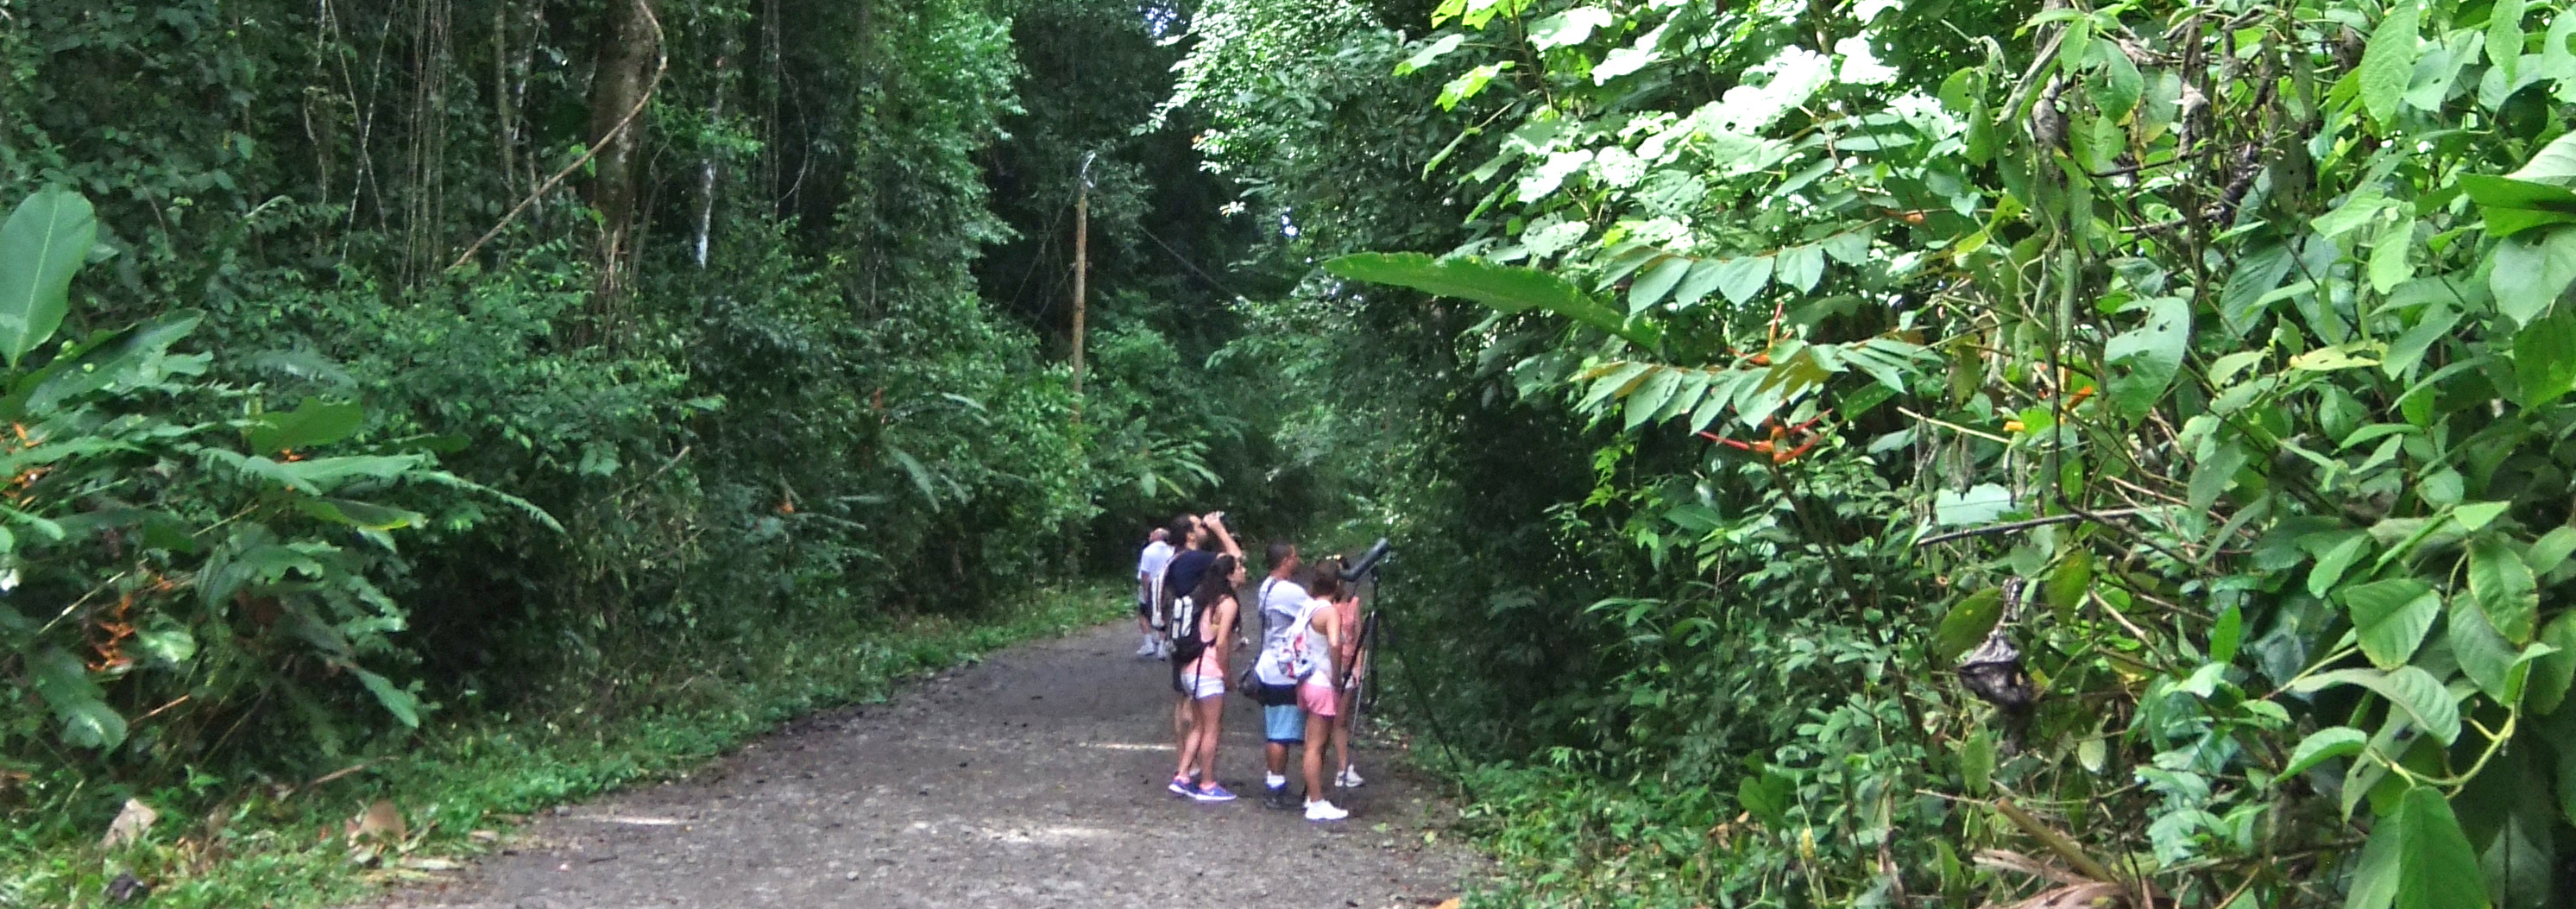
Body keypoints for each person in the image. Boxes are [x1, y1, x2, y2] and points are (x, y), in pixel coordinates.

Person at [1166, 554, 1243, 802]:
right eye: (1239, 568)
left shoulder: (1207, 600)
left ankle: (1183, 775)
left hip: (1190, 670)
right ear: (1229, 575)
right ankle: (1208, 784)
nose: (1243, 571)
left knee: (1199, 726)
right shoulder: (1228, 604)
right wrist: (1227, 676)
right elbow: (1220, 644)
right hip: (1208, 673)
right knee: (1212, 728)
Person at [1250, 541, 1308, 809]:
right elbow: (1316, 613)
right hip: (1285, 670)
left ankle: (1275, 780)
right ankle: (1276, 786)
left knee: (1275, 727)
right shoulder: (1288, 592)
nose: (1298, 560)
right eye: (1294, 556)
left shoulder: (1266, 587)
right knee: (1281, 733)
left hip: (1269, 665)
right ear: (1285, 560)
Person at [1289, 568, 1350, 821]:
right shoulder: (1330, 612)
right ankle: (1316, 801)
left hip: (1305, 679)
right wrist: (1337, 675)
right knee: (1315, 746)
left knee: (1312, 742)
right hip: (1322, 682)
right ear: (1336, 584)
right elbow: (1335, 643)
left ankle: (1312, 795)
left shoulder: (1308, 608)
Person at [1328, 569, 1367, 789]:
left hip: (1349, 666)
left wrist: (1359, 666)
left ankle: (1343, 768)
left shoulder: (1354, 603)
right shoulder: (1325, 605)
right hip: (1332, 665)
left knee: (1340, 718)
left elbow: (1359, 638)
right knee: (1330, 718)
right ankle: (1337, 767)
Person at [1134, 527, 1175, 658]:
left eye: (1153, 533)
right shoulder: (1171, 550)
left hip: (1152, 584)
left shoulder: (1148, 551)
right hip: (1167, 586)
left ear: (1157, 536)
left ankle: (1148, 643)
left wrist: (1146, 591)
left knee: (1143, 613)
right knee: (1163, 614)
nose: (1150, 535)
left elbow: (1145, 573)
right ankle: (1163, 646)